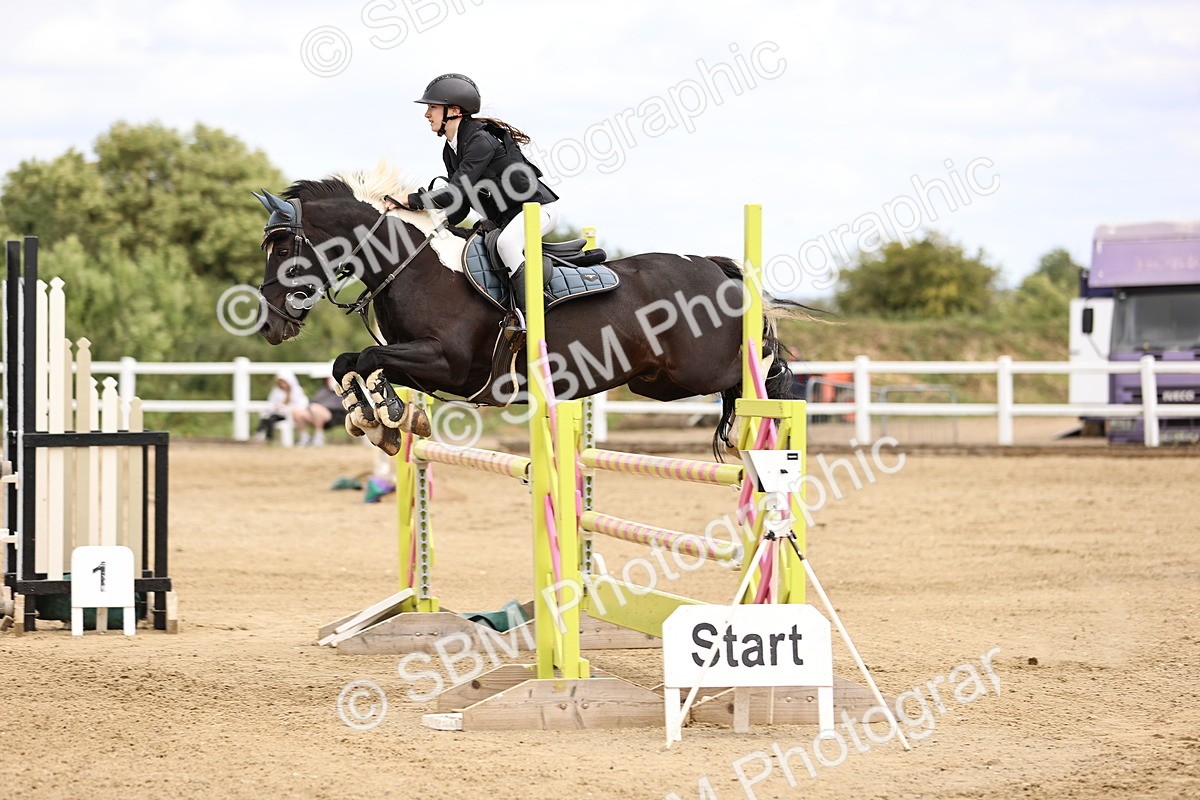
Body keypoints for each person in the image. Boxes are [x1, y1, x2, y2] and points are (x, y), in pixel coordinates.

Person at [400, 73, 560, 313]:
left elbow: (454, 192)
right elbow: (461, 204)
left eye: (432, 107)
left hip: (536, 210)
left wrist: (410, 200)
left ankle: (531, 315)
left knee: (506, 243)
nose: (426, 114)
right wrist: (435, 227)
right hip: (506, 220)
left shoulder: (480, 141)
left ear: (453, 111)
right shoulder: (451, 149)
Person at [254, 370, 308, 443]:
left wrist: (285, 408)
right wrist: (275, 407)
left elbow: (300, 405)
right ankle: (264, 436)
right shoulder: (276, 391)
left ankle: (265, 436)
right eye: (281, 383)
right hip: (277, 413)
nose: (283, 385)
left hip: (290, 415)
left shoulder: (297, 391)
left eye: (284, 382)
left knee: (271, 418)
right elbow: (271, 403)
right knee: (267, 417)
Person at [292, 376, 347, 447]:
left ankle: (319, 438)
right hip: (314, 414)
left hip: (332, 416)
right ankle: (305, 437)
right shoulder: (322, 391)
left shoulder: (341, 392)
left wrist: (319, 407)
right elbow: (313, 402)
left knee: (315, 408)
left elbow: (341, 406)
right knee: (296, 412)